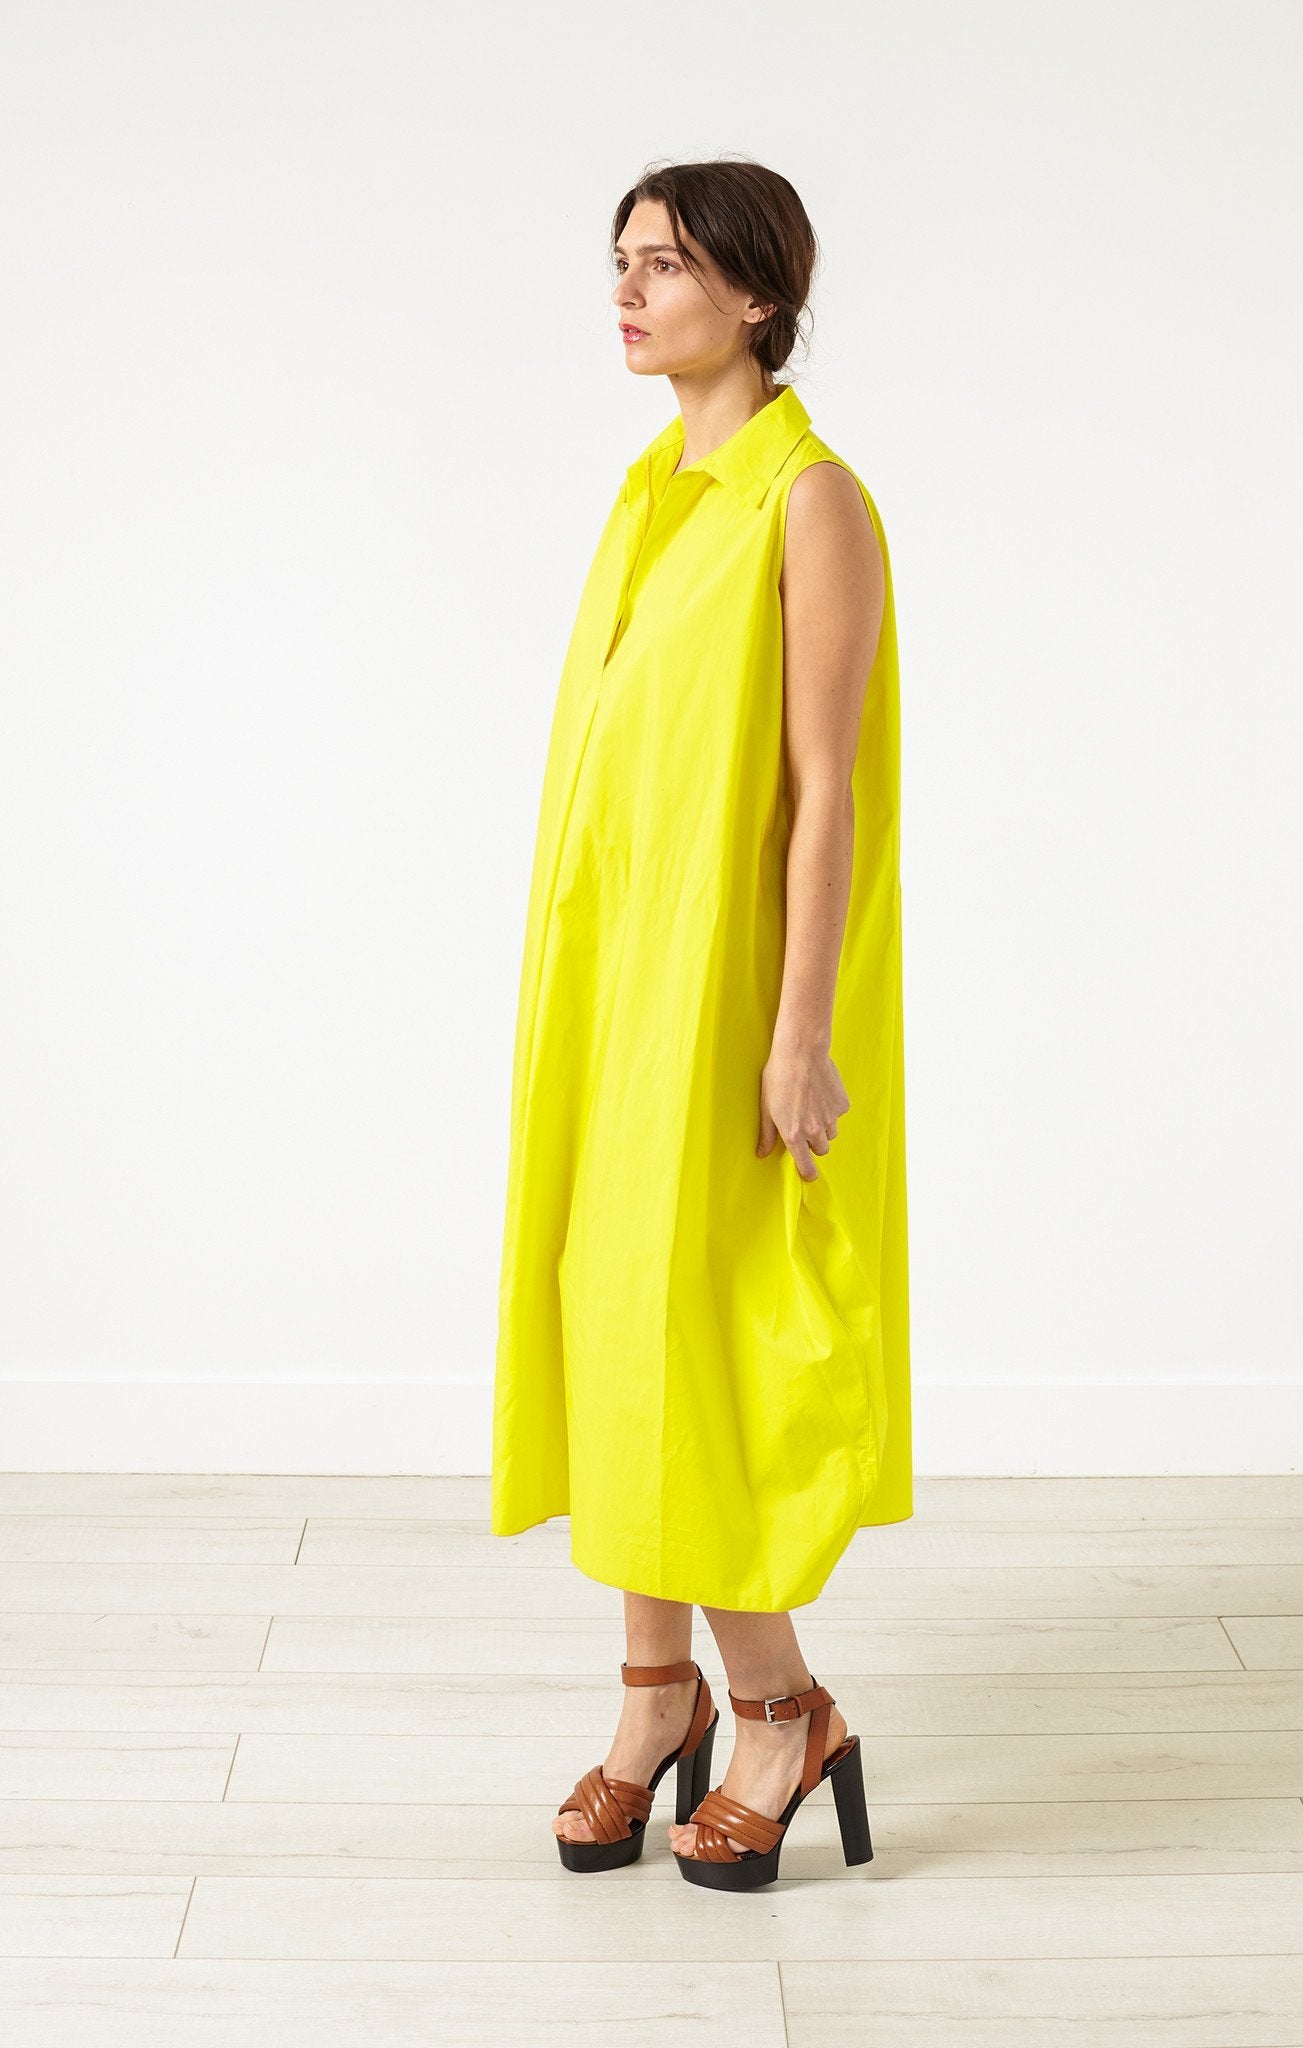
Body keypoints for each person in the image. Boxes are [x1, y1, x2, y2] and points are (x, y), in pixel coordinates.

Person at [490, 158, 911, 1889]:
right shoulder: (650, 491)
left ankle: (784, 1711)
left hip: (737, 995)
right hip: (616, 985)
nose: (627, 290)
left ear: (757, 295)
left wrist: (800, 1028)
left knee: (715, 1348)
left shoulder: (808, 503)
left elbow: (827, 794)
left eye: (663, 264)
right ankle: (652, 1699)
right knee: (616, 1320)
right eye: (621, 260)